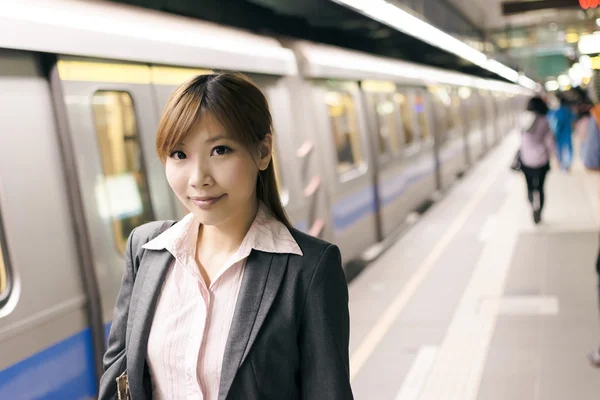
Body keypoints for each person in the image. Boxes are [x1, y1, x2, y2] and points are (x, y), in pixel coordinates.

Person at [98, 73, 353, 400]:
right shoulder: (146, 251)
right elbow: (117, 377)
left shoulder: (310, 270)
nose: (198, 178)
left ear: (262, 151)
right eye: (179, 154)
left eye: (220, 150)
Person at [518, 96, 554, 224]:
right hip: (542, 159)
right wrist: (554, 156)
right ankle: (539, 212)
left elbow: (521, 140)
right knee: (541, 187)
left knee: (529, 186)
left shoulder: (522, 119)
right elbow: (549, 141)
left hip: (526, 159)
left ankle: (532, 203)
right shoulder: (544, 120)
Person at [552, 95, 576, 172]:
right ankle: (567, 165)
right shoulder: (569, 111)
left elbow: (556, 123)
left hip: (560, 134)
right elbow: (573, 120)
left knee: (559, 149)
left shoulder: (558, 111)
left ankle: (561, 164)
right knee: (569, 149)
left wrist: (555, 133)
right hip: (568, 133)